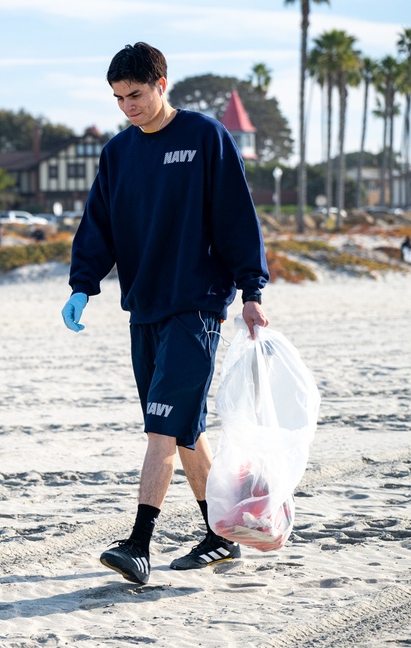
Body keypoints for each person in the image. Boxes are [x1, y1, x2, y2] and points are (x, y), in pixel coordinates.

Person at [60, 42, 270, 584]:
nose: (126, 105)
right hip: (145, 306)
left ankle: (139, 542)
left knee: (159, 425)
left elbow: (235, 217)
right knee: (181, 430)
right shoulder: (118, 153)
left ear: (161, 84)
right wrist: (83, 284)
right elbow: (98, 226)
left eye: (135, 94)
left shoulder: (204, 138)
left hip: (196, 306)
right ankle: (222, 537)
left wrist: (252, 290)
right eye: (117, 98)